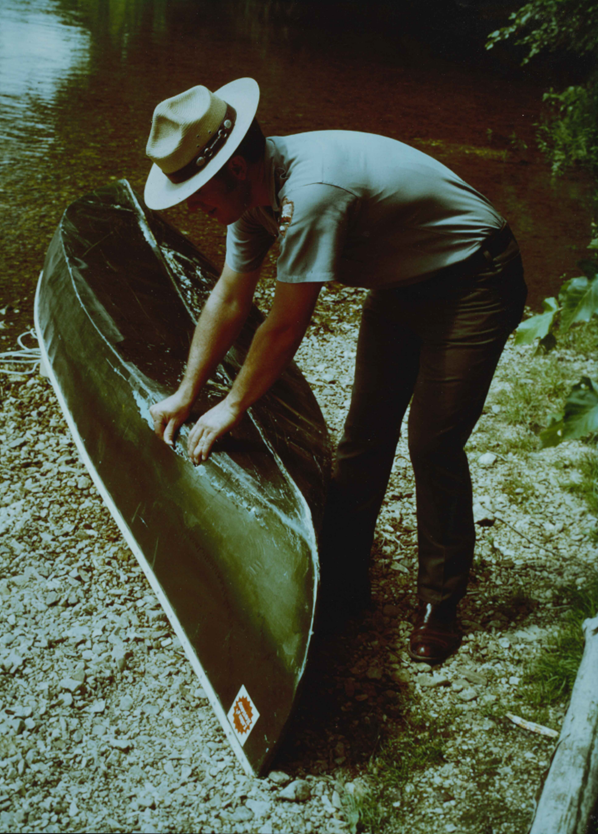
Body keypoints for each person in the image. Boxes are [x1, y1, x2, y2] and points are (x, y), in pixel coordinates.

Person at [144, 78, 527, 665]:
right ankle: (345, 584)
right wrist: (186, 392)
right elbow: (229, 296)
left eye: (196, 188)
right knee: (364, 437)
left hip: (473, 277)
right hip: (401, 282)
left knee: (433, 441)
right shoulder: (252, 200)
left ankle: (438, 606)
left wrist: (232, 406)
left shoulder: (313, 189)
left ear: (237, 169)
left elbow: (287, 322)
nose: (193, 203)